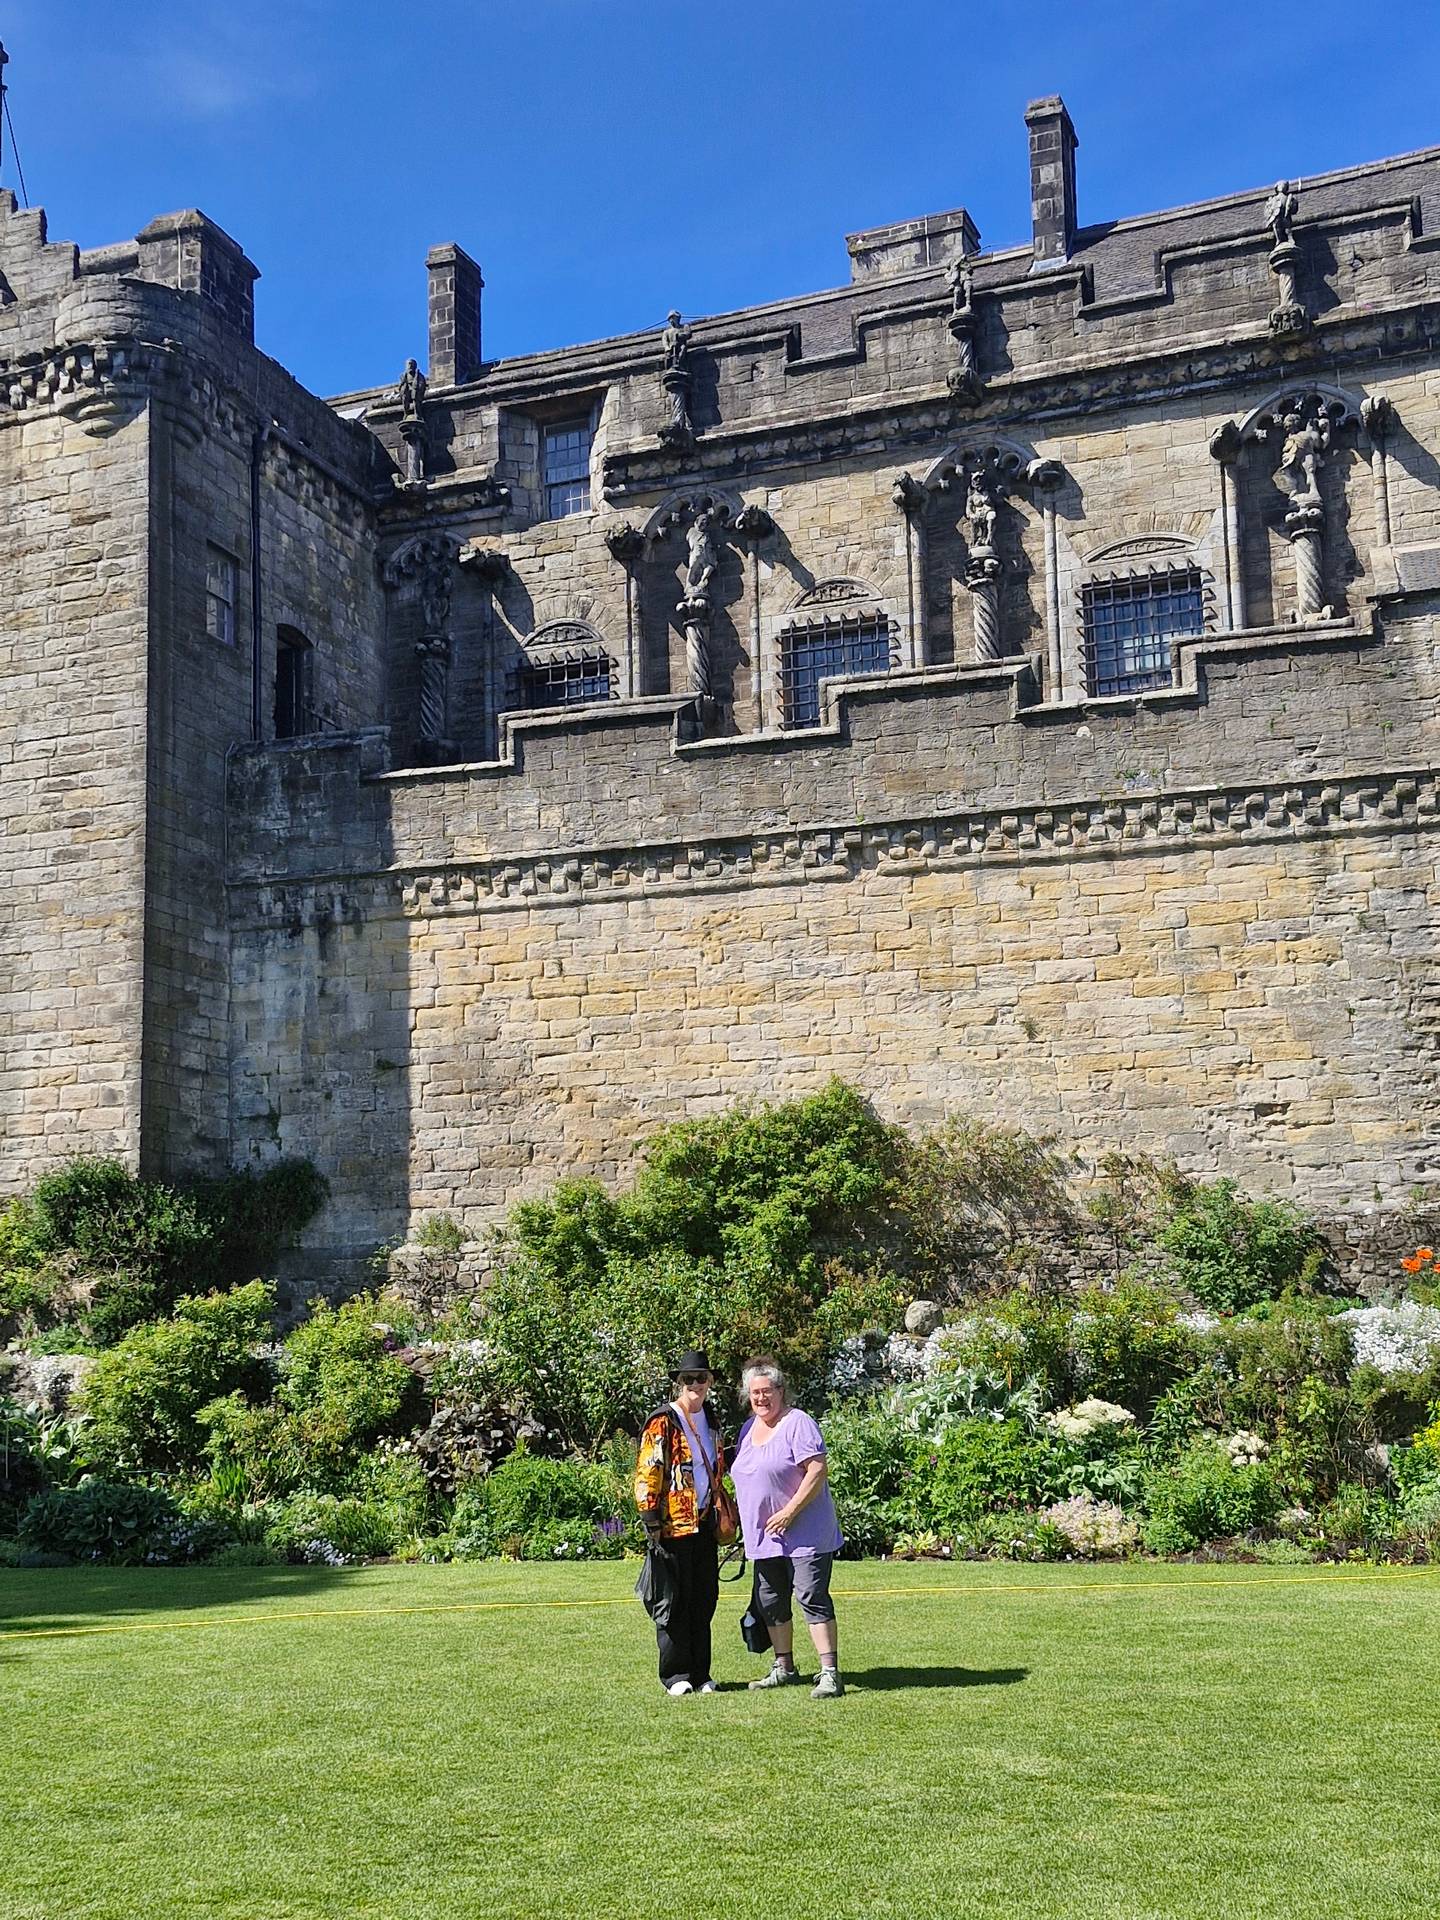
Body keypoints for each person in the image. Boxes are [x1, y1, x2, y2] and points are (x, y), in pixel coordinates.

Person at [730, 1357, 846, 1699]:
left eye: (767, 1391)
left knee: (810, 1596)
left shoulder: (798, 1423)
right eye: (755, 1393)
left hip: (804, 1534)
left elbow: (817, 1470)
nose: (761, 1398)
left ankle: (830, 1673)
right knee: (771, 1601)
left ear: (781, 1391)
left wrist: (789, 1512)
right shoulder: (748, 1429)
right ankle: (784, 1667)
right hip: (765, 1538)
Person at [634, 1348, 726, 1696]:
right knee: (673, 1603)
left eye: (701, 1378)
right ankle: (675, 1675)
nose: (695, 1385)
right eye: (688, 1379)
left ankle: (701, 1674)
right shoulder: (664, 1420)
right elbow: (649, 1470)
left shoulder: (712, 1418)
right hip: (672, 1527)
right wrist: (651, 1520)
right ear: (679, 1383)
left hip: (704, 1523)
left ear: (710, 1381)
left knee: (704, 1600)